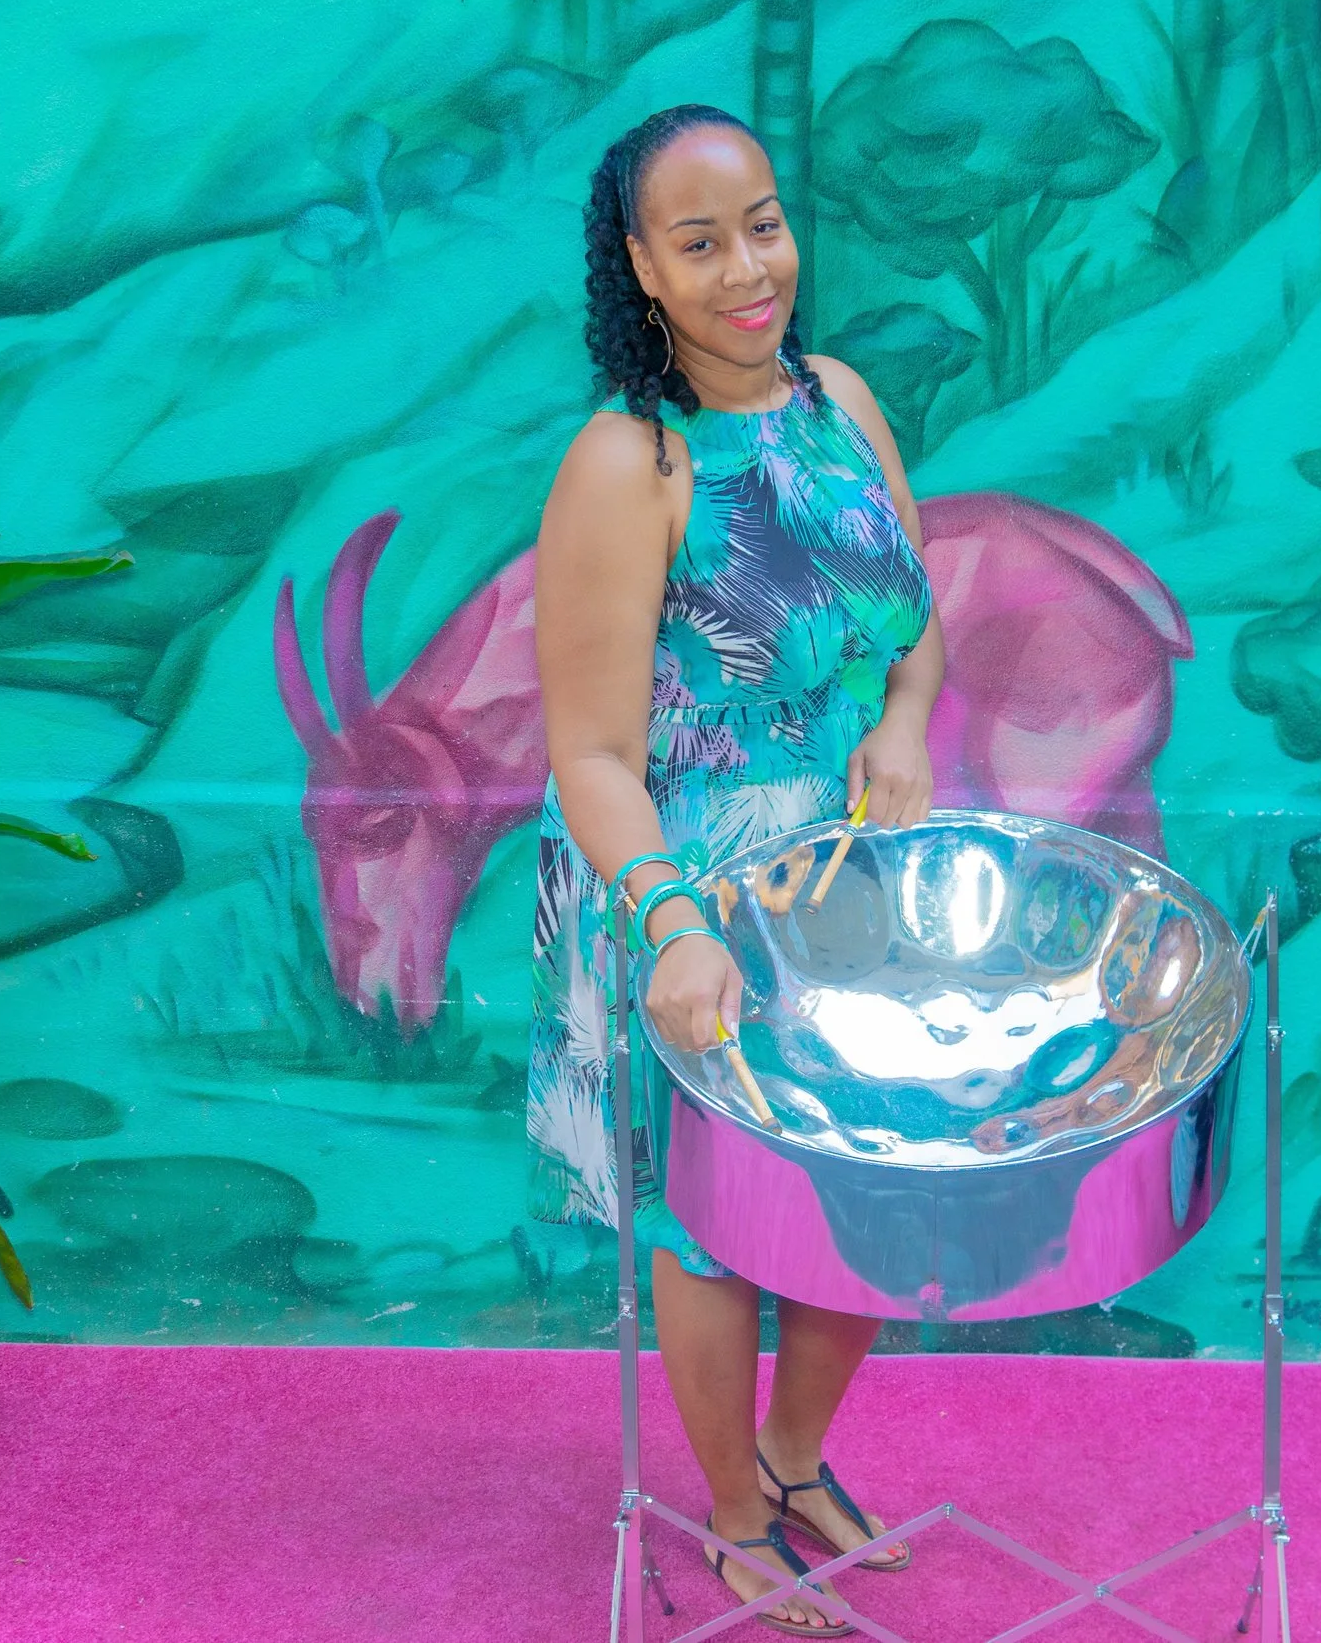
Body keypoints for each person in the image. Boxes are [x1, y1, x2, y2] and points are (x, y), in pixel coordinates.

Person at [528, 102, 944, 1638]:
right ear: (640, 267)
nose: (747, 268)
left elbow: (914, 621)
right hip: (690, 893)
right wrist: (672, 928)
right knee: (717, 1230)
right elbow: (590, 755)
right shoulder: (626, 464)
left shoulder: (841, 404)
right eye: (699, 244)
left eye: (762, 225)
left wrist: (904, 722)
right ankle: (729, 1515)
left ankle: (793, 1455)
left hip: (851, 876)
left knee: (870, 1188)